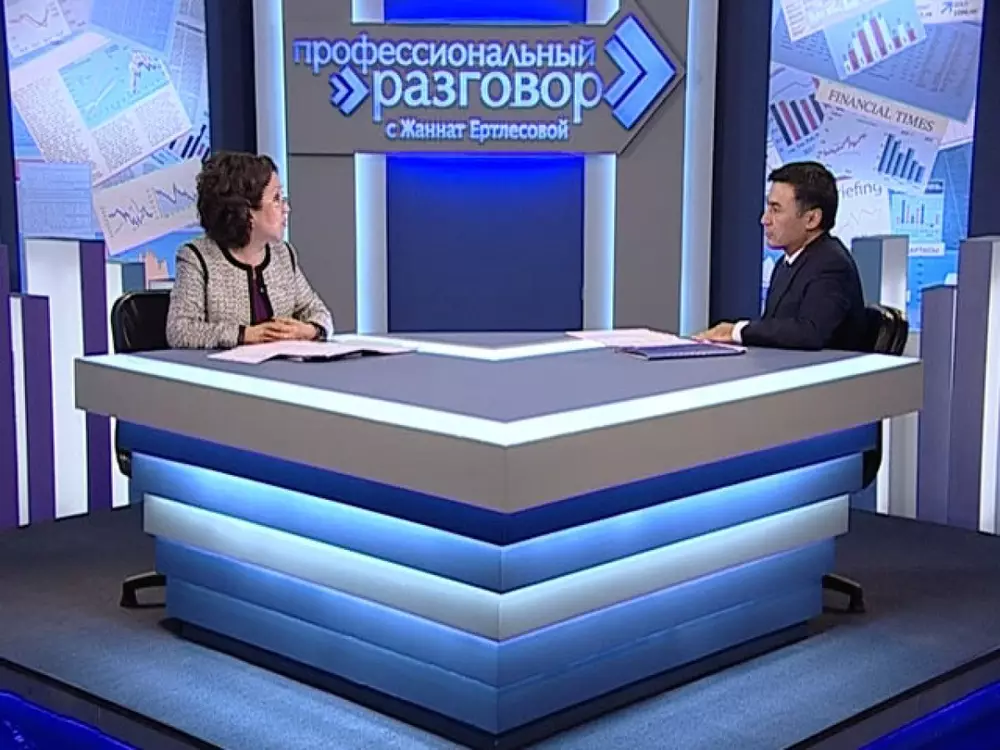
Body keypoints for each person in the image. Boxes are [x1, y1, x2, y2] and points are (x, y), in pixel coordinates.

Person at [165, 151, 334, 349]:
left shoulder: (283, 254)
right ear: (246, 211)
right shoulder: (197, 257)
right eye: (276, 199)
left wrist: (309, 330)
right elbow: (180, 330)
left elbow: (319, 312)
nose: (286, 208)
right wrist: (244, 334)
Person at [697, 161, 869, 351]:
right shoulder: (786, 263)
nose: (765, 220)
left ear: (812, 219)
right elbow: (774, 330)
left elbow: (809, 333)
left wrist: (737, 331)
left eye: (776, 210)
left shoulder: (832, 264)